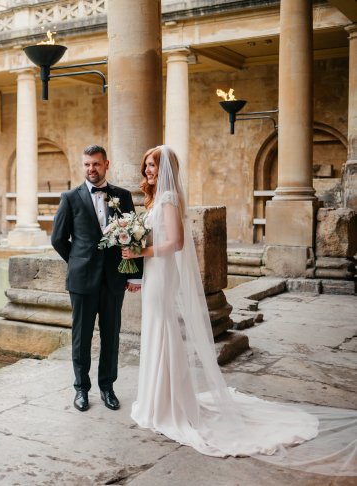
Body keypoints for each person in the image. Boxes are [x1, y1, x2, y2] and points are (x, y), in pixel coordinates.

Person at [121, 145, 357, 474]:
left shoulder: (170, 199)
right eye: (146, 165)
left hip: (161, 272)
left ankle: (166, 404)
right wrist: (138, 262)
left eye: (154, 166)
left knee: (162, 329)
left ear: (167, 170)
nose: (149, 170)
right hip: (154, 274)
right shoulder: (155, 200)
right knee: (157, 329)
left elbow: (174, 243)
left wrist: (140, 252)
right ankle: (158, 398)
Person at [51, 145, 142, 412]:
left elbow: (135, 236)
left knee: (111, 335)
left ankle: (107, 388)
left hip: (114, 279)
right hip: (82, 280)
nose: (91, 169)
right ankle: (81, 389)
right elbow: (58, 239)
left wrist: (134, 275)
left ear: (106, 164)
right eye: (87, 165)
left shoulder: (122, 196)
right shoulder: (70, 197)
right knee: (81, 336)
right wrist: (78, 262)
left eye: (96, 164)